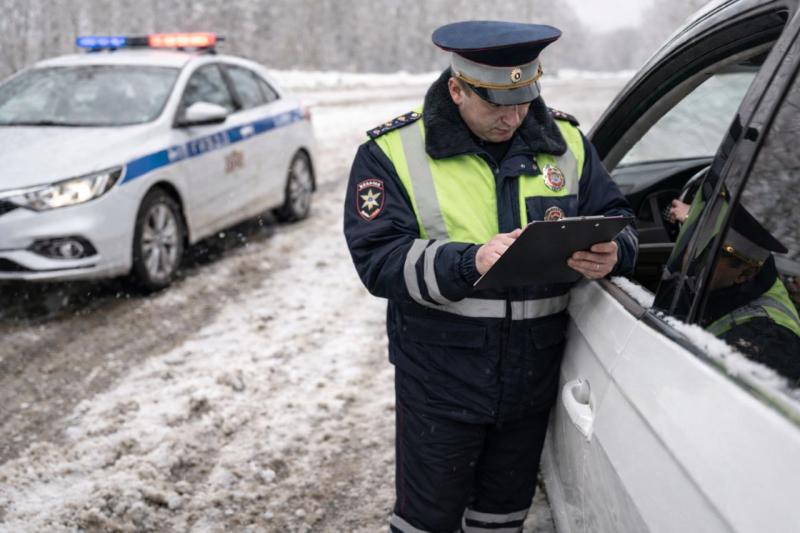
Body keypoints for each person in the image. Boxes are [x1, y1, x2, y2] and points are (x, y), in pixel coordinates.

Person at [343, 21, 638, 533]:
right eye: (497, 104)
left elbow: (619, 219)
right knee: (426, 520)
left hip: (533, 373)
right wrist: (469, 261)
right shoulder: (391, 152)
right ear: (456, 89)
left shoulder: (566, 141)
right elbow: (378, 260)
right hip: (440, 375)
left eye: (523, 101)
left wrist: (615, 252)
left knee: (501, 518)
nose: (513, 118)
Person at [697, 206, 800, 382]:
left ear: (744, 274)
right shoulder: (726, 284)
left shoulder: (768, 339)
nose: (692, 260)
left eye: (707, 257)